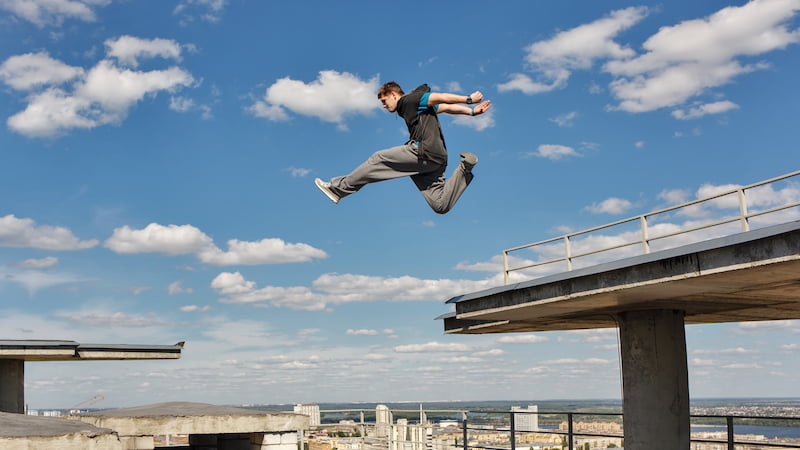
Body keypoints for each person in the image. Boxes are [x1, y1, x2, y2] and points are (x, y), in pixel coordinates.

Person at [314, 81, 492, 214]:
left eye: (384, 101)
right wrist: (471, 112)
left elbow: (439, 96)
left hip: (423, 152)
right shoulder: (417, 107)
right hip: (436, 160)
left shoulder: (408, 100)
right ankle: (465, 168)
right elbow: (444, 107)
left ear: (393, 94)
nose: (384, 106)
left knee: (378, 158)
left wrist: (468, 99)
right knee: (440, 204)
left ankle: (337, 189)